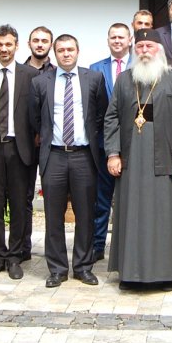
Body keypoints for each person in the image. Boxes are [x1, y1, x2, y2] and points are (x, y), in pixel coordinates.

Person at [104, 29, 172, 288]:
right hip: (132, 158)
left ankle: (164, 274)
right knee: (132, 215)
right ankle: (130, 274)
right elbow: (111, 118)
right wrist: (113, 153)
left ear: (159, 50)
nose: (144, 50)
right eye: (140, 46)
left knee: (165, 216)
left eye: (149, 46)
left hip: (165, 158)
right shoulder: (123, 79)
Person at [30, 35, 108, 287]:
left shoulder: (93, 78)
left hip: (84, 155)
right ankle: (57, 269)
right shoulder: (40, 82)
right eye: (61, 50)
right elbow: (35, 118)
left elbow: (101, 114)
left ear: (78, 51)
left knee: (85, 214)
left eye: (70, 49)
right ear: (54, 53)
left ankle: (83, 267)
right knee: (54, 215)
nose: (66, 54)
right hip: (54, 155)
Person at [0, 25, 40, 280]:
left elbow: (36, 111)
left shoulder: (30, 74)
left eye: (8, 44)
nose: (4, 49)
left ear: (16, 46)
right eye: (0, 45)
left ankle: (14, 256)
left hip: (19, 147)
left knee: (19, 203)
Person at [89, 24, 132, 261]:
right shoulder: (95, 69)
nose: (117, 41)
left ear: (130, 40)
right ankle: (97, 246)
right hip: (104, 145)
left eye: (121, 37)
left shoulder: (140, 67)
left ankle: (128, 246)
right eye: (113, 37)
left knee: (131, 199)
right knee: (101, 199)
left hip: (134, 144)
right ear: (108, 40)